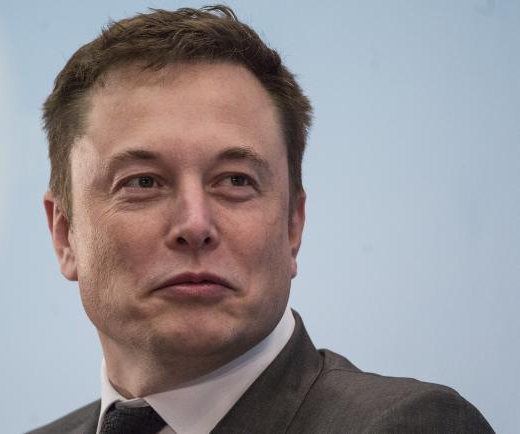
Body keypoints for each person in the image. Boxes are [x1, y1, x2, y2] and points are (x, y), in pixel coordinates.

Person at [31, 5, 493, 434]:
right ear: (65, 234)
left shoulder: (412, 424)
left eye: (235, 180)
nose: (195, 224)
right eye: (143, 183)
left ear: (293, 226)